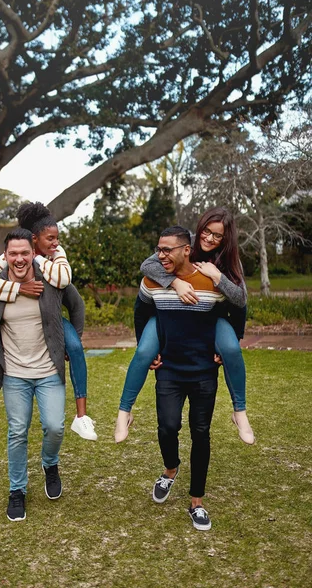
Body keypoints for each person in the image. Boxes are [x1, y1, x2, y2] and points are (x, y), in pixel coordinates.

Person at [115, 207, 254, 446]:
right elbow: (147, 267)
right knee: (144, 352)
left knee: (231, 350)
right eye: (206, 232)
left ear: (226, 238)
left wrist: (218, 276)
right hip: (169, 312)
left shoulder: (229, 260)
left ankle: (239, 412)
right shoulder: (184, 242)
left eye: (217, 235)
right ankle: (124, 412)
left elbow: (240, 300)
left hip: (211, 315)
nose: (209, 238)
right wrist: (175, 283)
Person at [0, 202, 97, 445]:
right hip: (14, 327)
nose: (55, 243)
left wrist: (71, 337)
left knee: (75, 347)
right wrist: (20, 289)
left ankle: (82, 415)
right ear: (35, 240)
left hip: (52, 320)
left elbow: (74, 300)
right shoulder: (10, 260)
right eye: (50, 238)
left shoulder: (54, 261)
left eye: (57, 238)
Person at [0, 228, 84, 521]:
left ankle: (50, 463)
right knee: (18, 432)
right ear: (5, 256)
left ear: (33, 252)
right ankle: (17, 491)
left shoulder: (50, 280)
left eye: (25, 252)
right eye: (14, 253)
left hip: (49, 370)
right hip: (14, 374)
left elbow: (76, 307)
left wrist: (70, 343)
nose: (20, 259)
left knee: (54, 427)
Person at [135, 225, 225, 530]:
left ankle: (196, 502)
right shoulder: (154, 279)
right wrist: (148, 349)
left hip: (203, 372)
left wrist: (227, 346)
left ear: (186, 250)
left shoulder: (211, 280)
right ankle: (170, 470)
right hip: (169, 370)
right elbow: (140, 311)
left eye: (166, 250)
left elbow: (235, 311)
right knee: (167, 426)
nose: (160, 255)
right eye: (158, 249)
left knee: (200, 433)